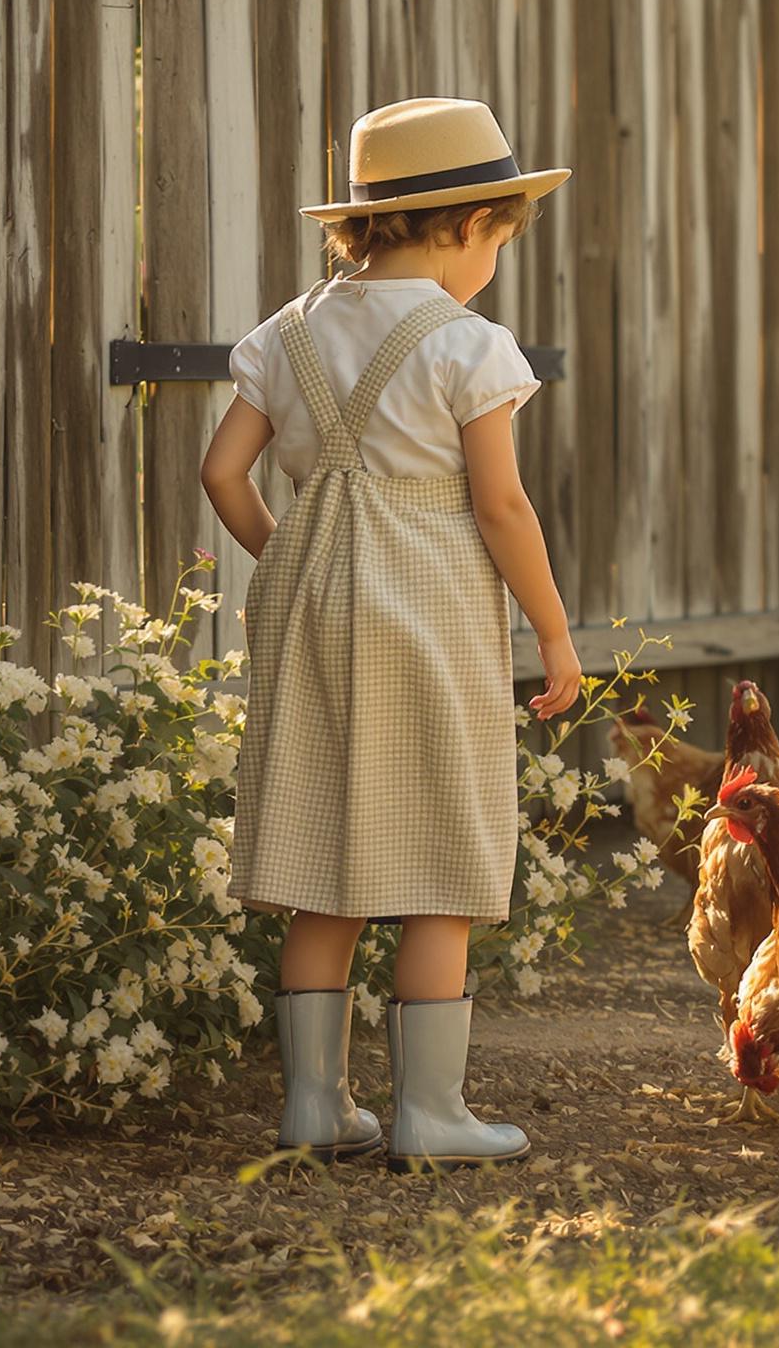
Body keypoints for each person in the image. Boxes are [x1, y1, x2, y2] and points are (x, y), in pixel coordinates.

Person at [201, 97, 583, 1170]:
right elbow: (502, 508)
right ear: (468, 226)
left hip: (308, 609)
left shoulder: (289, 329)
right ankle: (431, 1111)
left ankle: (315, 1105)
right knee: (439, 852)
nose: (494, 260)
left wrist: (290, 553)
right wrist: (555, 634)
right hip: (430, 612)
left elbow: (221, 473)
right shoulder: (468, 343)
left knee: (323, 851)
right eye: (501, 240)